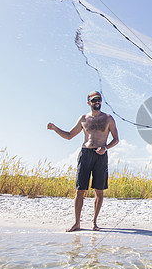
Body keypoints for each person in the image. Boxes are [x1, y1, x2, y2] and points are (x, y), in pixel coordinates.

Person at [47, 91, 119, 231]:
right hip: (85, 154)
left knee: (99, 190)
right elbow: (69, 136)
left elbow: (116, 139)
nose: (97, 102)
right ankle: (77, 223)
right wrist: (55, 128)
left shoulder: (108, 119)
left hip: (101, 155)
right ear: (89, 103)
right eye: (94, 100)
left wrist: (105, 147)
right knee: (80, 190)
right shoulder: (84, 119)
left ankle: (94, 222)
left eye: (99, 100)